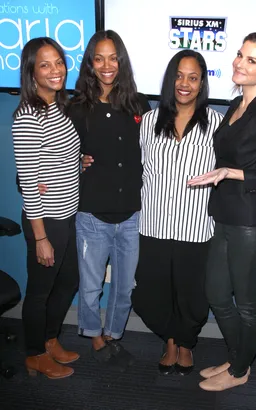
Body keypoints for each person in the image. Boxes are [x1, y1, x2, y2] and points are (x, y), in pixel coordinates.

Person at [187, 31, 256, 391]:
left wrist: (235, 173)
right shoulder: (234, 106)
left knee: (248, 306)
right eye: (239, 55)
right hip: (226, 215)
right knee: (216, 294)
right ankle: (237, 356)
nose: (239, 63)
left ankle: (239, 370)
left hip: (252, 224)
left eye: (251, 60)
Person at [131, 50, 223, 375]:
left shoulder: (216, 124)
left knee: (193, 294)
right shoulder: (151, 121)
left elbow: (228, 169)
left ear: (201, 84)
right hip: (154, 224)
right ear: (171, 80)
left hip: (196, 227)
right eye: (179, 76)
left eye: (193, 77)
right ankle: (169, 339)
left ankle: (185, 343)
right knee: (152, 291)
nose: (184, 84)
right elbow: (138, 168)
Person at [68, 30, 150, 369]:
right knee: (89, 288)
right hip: (92, 215)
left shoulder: (139, 104)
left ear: (122, 61)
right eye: (99, 58)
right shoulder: (76, 107)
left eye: (113, 57)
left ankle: (114, 333)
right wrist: (77, 161)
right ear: (90, 62)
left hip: (130, 214)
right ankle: (93, 333)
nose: (106, 65)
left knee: (124, 288)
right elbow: (60, 155)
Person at [12, 37, 80, 379]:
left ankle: (50, 339)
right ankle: (34, 353)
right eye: (45, 65)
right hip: (46, 222)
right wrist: (40, 238)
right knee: (39, 292)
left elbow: (50, 158)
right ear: (31, 73)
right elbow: (28, 181)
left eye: (59, 62)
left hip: (65, 216)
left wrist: (76, 162)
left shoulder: (56, 107)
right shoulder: (27, 116)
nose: (56, 70)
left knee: (68, 282)